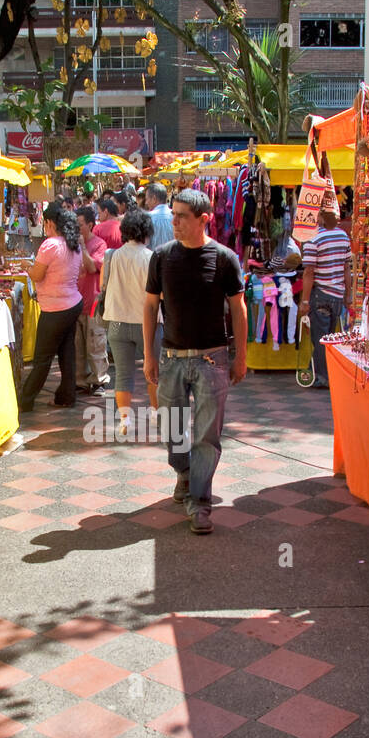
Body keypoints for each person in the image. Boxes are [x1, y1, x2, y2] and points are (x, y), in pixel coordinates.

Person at [143, 189, 247, 535]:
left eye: (182, 216)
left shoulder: (224, 258)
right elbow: (149, 306)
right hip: (171, 359)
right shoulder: (161, 257)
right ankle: (185, 474)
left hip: (212, 360)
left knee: (206, 436)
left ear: (204, 219)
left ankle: (200, 501)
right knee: (172, 429)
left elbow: (238, 308)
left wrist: (240, 356)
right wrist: (148, 355)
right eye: (173, 215)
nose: (174, 222)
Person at [19, 203, 85, 411]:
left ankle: (26, 399)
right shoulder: (72, 244)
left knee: (43, 358)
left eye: (45, 222)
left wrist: (27, 267)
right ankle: (66, 396)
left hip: (55, 309)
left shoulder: (50, 245)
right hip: (72, 303)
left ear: (50, 223)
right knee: (66, 353)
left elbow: (37, 275)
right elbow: (80, 271)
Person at [103, 208, 154, 436]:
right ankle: (156, 413)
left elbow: (104, 286)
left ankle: (125, 420)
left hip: (117, 322)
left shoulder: (113, 255)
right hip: (148, 323)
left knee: (123, 374)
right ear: (146, 231)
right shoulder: (151, 258)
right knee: (153, 371)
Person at [299, 194, 352, 389]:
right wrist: (348, 295)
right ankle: (315, 371)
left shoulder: (315, 239)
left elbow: (309, 271)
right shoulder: (343, 236)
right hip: (337, 295)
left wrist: (304, 301)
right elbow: (346, 267)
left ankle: (323, 376)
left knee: (320, 338)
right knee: (328, 337)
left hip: (321, 294)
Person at [73, 205, 110, 395]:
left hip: (93, 303)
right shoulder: (71, 244)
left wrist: (82, 247)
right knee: (78, 345)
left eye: (80, 225)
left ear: (89, 224)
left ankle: (98, 380)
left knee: (96, 343)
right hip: (76, 302)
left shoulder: (99, 245)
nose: (77, 228)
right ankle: (80, 380)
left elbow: (91, 267)